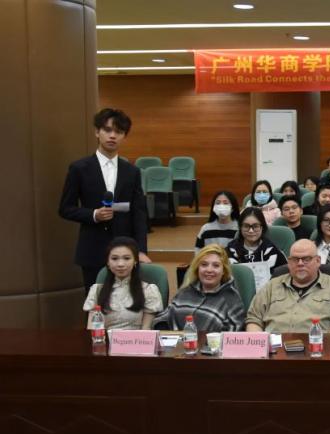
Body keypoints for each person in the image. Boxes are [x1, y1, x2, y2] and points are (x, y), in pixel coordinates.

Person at [59, 108, 150, 289]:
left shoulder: (132, 171)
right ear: (97, 132)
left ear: (124, 136)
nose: (112, 136)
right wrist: (93, 214)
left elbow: (139, 213)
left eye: (119, 132)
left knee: (128, 300)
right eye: (107, 130)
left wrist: (141, 250)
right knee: (96, 300)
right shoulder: (79, 168)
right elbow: (65, 208)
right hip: (92, 249)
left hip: (126, 252)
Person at [246, 239, 330, 333]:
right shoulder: (271, 286)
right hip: (274, 348)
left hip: (318, 347)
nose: (300, 263)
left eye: (306, 259)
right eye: (295, 259)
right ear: (289, 262)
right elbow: (253, 320)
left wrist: (321, 345)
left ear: (318, 261)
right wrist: (261, 345)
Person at [153, 245, 245, 332]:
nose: (209, 270)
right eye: (204, 265)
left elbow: (232, 337)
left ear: (224, 270)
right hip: (174, 342)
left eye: (216, 265)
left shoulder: (232, 299)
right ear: (197, 268)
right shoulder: (186, 291)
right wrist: (165, 334)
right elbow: (163, 318)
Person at [82, 237, 162, 330]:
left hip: (136, 338)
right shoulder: (97, 291)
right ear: (108, 262)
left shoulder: (148, 290)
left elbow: (146, 330)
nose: (120, 264)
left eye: (126, 258)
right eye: (114, 258)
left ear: (135, 261)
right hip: (105, 338)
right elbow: (93, 330)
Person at [226, 207, 287, 289]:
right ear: (240, 227)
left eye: (255, 226)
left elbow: (285, 277)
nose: (251, 231)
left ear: (262, 227)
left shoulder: (273, 251)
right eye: (246, 226)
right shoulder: (230, 250)